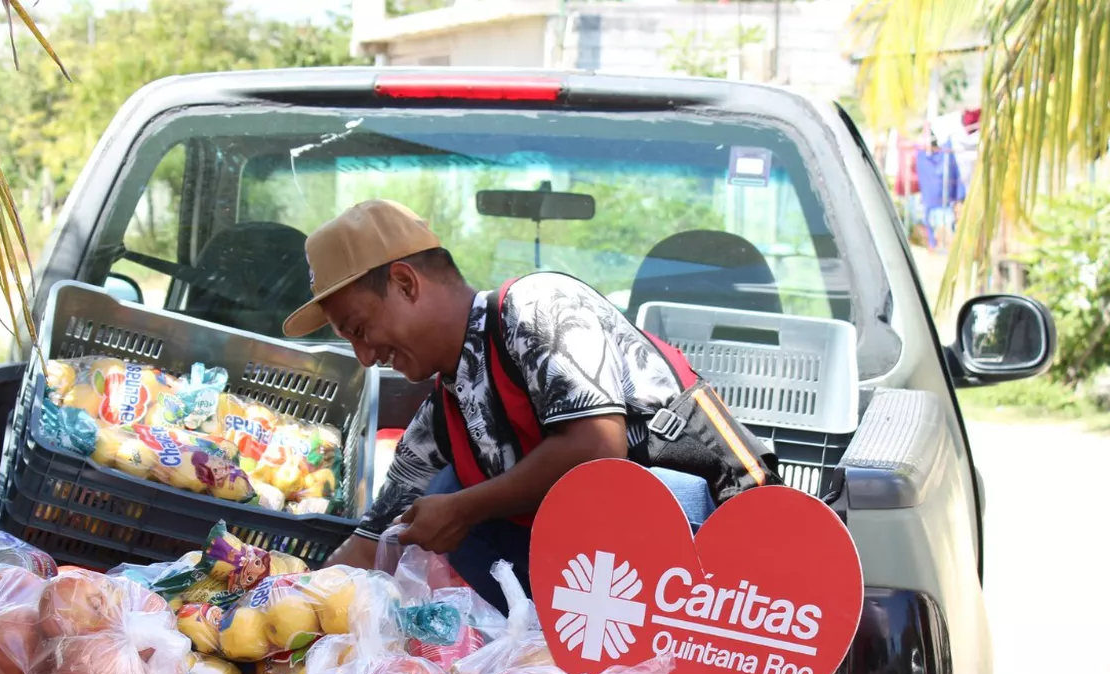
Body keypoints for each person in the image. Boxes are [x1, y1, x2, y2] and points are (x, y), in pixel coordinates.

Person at [283, 199, 780, 608]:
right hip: (614, 593)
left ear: (406, 283)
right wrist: (280, 603)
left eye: (360, 330)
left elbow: (597, 447)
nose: (365, 357)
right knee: (432, 504)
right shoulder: (446, 408)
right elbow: (373, 541)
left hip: (722, 566)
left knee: (457, 496)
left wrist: (464, 509)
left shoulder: (538, 306)